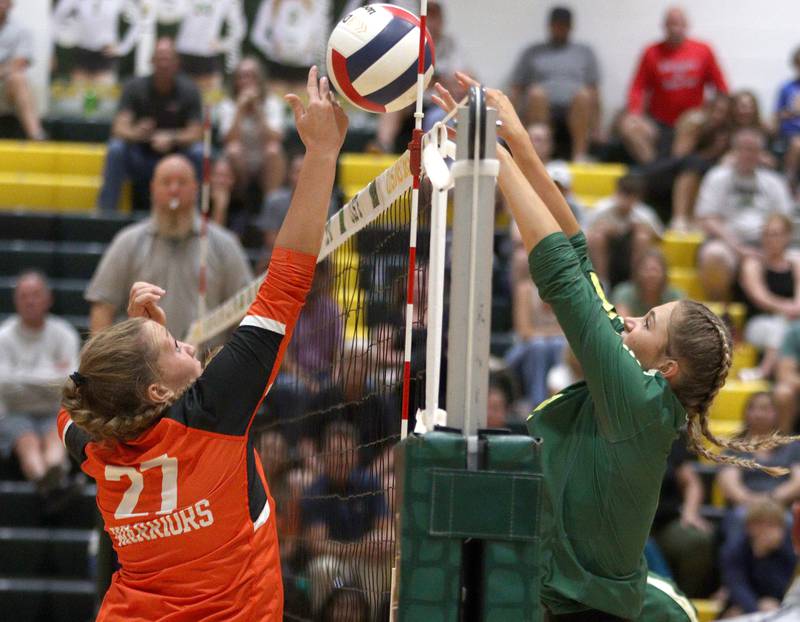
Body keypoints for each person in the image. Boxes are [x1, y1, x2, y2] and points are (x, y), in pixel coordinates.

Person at [433, 74, 793, 621]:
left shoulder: (640, 398)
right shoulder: (644, 391)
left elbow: (563, 280)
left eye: (646, 322)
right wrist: (520, 145)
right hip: (572, 599)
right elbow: (578, 254)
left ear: (667, 366)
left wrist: (494, 157)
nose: (626, 321)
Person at [57, 67, 348, 620]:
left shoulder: (97, 445)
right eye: (172, 344)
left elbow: (78, 398)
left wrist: (132, 338)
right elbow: (287, 279)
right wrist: (322, 153)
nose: (188, 344)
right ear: (157, 390)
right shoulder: (211, 411)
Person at [86, 153, 253, 343]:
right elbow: (103, 307)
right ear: (153, 188)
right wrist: (102, 367)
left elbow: (245, 312)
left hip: (208, 366)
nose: (174, 189)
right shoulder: (127, 242)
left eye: (181, 182)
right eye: (166, 182)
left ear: (195, 188)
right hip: (144, 368)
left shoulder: (225, 244)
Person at [96, 37, 204, 212]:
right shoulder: (133, 87)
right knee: (116, 148)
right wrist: (138, 133)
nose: (164, 64)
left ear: (177, 63)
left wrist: (172, 138)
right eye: (160, 58)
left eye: (168, 59)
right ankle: (105, 214)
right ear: (151, 61)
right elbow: (119, 128)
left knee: (199, 152)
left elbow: (197, 132)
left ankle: (196, 215)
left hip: (176, 158)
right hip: (141, 155)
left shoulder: (189, 90)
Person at [0, 271, 79, 490]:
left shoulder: (64, 334)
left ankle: (49, 482)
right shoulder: (4, 336)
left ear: (48, 299)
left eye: (35, 294)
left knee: (57, 436)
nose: (30, 301)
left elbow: (70, 382)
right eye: (24, 296)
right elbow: (4, 385)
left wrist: (22, 377)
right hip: (14, 412)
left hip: (55, 410)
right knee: (28, 443)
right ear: (16, 300)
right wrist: (51, 375)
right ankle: (55, 486)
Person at [617, 6, 727, 164]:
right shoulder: (651, 52)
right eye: (671, 24)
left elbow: (721, 88)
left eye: (679, 24)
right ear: (664, 26)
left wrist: (716, 114)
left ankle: (672, 167)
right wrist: (635, 112)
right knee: (628, 126)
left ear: (687, 25)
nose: (675, 28)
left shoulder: (703, 50)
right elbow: (637, 88)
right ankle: (654, 169)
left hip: (693, 119)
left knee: (692, 121)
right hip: (658, 121)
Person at [695, 128, 794, 302]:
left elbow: (785, 221)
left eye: (753, 150)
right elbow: (707, 219)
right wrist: (738, 247)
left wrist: (771, 247)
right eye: (744, 149)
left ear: (761, 153)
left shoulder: (774, 182)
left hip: (769, 244)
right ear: (734, 151)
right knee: (713, 254)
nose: (748, 154)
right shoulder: (717, 177)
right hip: (728, 243)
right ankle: (719, 311)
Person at [509, 6, 599, 161]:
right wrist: (511, 120)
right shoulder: (532, 52)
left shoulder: (584, 52)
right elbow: (517, 88)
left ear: (571, 27)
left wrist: (597, 124)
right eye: (557, 24)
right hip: (540, 105)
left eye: (564, 25)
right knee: (536, 93)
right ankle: (540, 157)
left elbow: (594, 90)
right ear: (550, 25)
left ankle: (579, 155)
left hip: (575, 107)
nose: (560, 28)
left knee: (584, 95)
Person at [716, 392, 800, 543]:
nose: (759, 413)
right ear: (746, 413)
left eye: (765, 409)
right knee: (740, 518)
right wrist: (753, 502)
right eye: (753, 408)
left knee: (788, 520)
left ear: (776, 413)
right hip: (744, 506)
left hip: (782, 506)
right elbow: (730, 485)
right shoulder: (733, 448)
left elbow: (797, 483)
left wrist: (771, 499)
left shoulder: (792, 447)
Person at [217, 56, 287, 209]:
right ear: (236, 81)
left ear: (260, 80)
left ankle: (271, 206)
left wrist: (258, 111)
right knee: (233, 150)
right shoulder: (228, 105)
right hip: (239, 165)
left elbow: (276, 137)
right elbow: (227, 140)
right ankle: (243, 203)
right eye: (242, 76)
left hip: (264, 161)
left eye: (251, 76)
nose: (247, 81)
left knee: (274, 150)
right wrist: (240, 110)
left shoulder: (272, 103)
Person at [738, 214, 800, 380]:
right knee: (779, 328)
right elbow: (760, 297)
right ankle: (763, 372)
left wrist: (794, 308)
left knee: (787, 327)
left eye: (775, 234)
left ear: (787, 236)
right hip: (759, 324)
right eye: (766, 234)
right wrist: (788, 308)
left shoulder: (795, 263)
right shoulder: (753, 263)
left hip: (792, 321)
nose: (769, 239)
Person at [719, 499, 797, 618]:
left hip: (780, 607)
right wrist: (757, 607)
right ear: (751, 527)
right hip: (747, 607)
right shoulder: (734, 551)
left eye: (778, 526)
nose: (775, 532)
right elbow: (737, 586)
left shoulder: (790, 550)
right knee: (733, 614)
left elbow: (788, 588)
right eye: (769, 525)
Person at [585, 174, 664, 290]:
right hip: (605, 254)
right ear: (617, 193)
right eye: (624, 194)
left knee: (642, 237)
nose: (626, 201)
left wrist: (643, 229)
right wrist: (601, 229)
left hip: (632, 255)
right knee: (597, 236)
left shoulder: (644, 213)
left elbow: (660, 237)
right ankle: (602, 283)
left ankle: (634, 284)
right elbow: (583, 234)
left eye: (631, 196)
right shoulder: (602, 208)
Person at [52, 0, 141, 85]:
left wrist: (122, 48)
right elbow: (56, 19)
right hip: (82, 53)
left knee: (104, 97)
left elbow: (138, 21)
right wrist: (66, 38)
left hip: (106, 54)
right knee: (78, 97)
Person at [174, 0, 246, 93]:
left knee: (211, 102)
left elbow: (239, 28)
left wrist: (223, 45)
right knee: (179, 100)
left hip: (207, 55)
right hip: (183, 53)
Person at [0, 0, 45, 140]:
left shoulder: (21, 29)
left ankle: (36, 136)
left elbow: (20, 63)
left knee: (18, 79)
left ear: (11, 4)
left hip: (5, 88)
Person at [611, 248, 684, 319]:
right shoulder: (623, 293)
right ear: (637, 273)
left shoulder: (675, 296)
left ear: (664, 274)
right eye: (646, 270)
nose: (651, 275)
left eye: (655, 270)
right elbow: (622, 325)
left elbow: (678, 325)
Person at [776, 47, 800, 197]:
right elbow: (778, 114)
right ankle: (789, 185)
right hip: (791, 132)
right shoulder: (787, 87)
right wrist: (794, 111)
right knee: (797, 145)